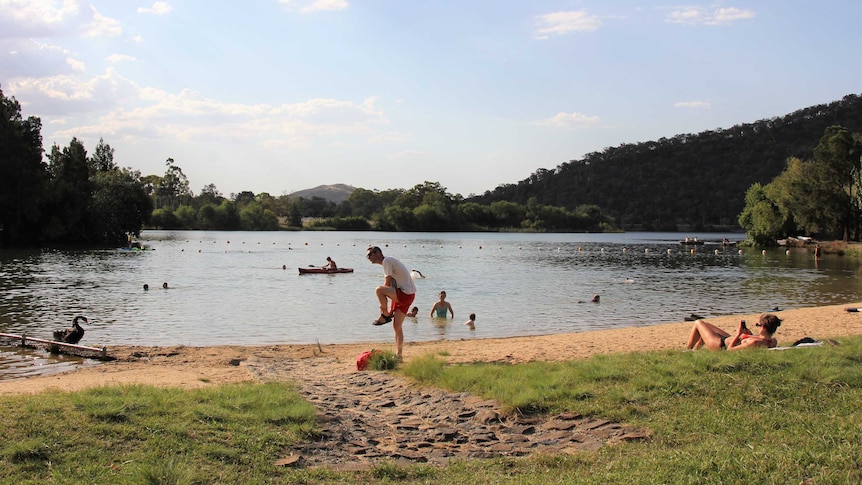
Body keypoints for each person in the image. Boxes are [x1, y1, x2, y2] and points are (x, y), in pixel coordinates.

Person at [367, 246, 416, 359]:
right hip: (407, 294)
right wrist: (386, 300)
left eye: (370, 254)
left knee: (379, 289)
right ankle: (399, 355)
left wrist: (384, 307)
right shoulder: (388, 261)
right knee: (397, 326)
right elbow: (391, 285)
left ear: (378, 253)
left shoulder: (387, 261)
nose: (368, 257)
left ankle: (384, 315)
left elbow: (387, 282)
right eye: (367, 256)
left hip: (404, 293)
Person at [685, 313, 781, 351]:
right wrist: (749, 334)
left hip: (721, 344)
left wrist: (739, 334)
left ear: (763, 327)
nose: (757, 326)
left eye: (758, 324)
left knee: (698, 322)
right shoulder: (773, 341)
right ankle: (695, 351)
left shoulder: (755, 342)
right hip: (727, 339)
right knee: (707, 325)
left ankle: (688, 350)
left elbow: (730, 350)